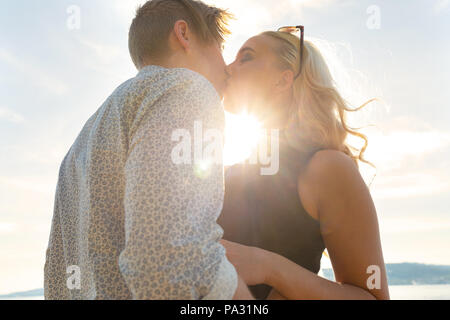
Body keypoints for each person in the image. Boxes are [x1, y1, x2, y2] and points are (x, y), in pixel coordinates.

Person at [44, 0, 253, 300]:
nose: (226, 67)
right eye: (220, 46)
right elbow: (164, 262)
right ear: (183, 34)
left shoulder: (81, 143)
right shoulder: (187, 89)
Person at [218, 28, 390, 300]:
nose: (226, 68)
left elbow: (373, 297)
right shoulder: (225, 173)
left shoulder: (327, 168)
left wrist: (269, 267)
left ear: (283, 80)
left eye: (246, 58)